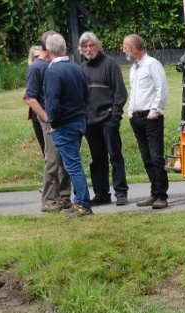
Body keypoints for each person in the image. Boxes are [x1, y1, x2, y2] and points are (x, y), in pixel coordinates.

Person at [43, 32, 93, 219]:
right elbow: (86, 95)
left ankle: (83, 205)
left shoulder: (53, 72)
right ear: (64, 48)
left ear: (48, 51)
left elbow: (52, 101)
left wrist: (54, 123)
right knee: (72, 163)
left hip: (64, 124)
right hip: (79, 121)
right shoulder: (76, 67)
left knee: (72, 166)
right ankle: (79, 201)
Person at [80, 31, 129, 207]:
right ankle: (101, 193)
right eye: (85, 46)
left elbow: (120, 92)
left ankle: (121, 192)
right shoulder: (82, 68)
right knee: (97, 158)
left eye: (91, 45)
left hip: (108, 118)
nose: (88, 49)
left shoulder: (110, 64)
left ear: (98, 46)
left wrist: (115, 115)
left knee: (115, 156)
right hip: (89, 121)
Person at [24, 32, 72, 212]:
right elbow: (31, 98)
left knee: (65, 158)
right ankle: (49, 200)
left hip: (63, 118)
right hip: (48, 119)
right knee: (52, 159)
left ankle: (64, 197)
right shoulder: (36, 67)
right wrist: (46, 118)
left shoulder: (56, 63)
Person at [122, 34, 169, 210]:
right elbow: (134, 92)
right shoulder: (134, 69)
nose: (123, 50)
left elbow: (162, 88)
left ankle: (162, 196)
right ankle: (154, 193)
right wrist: (130, 111)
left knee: (156, 157)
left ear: (134, 49)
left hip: (151, 118)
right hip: (137, 118)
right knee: (146, 158)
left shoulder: (152, 64)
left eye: (125, 47)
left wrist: (154, 111)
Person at [26, 45, 45, 156]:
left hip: (49, 111)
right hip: (37, 114)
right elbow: (28, 96)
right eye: (36, 57)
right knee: (45, 147)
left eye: (41, 55)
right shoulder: (32, 71)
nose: (39, 59)